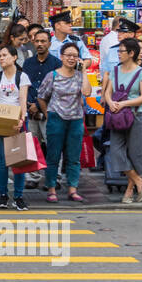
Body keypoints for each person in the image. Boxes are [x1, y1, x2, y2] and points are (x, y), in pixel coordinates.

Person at [37, 41, 91, 204]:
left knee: (74, 157)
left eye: (75, 56)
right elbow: (41, 96)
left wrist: (84, 71)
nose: (71, 58)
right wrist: (48, 113)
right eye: (68, 55)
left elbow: (87, 92)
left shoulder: (80, 76)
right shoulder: (52, 75)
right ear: (61, 57)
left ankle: (73, 189)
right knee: (53, 155)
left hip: (75, 120)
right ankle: (52, 188)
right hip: (56, 119)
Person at [104, 38, 142, 204]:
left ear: (131, 53)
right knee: (116, 152)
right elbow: (107, 92)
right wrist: (110, 103)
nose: (118, 54)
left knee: (135, 154)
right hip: (118, 117)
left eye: (121, 51)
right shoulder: (115, 70)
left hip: (136, 116)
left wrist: (123, 103)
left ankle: (130, 189)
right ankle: (140, 181)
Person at [0, 46, 30, 210]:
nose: (1, 58)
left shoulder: (22, 77)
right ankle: (3, 195)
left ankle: (18, 196)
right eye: (0, 56)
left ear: (15, 57)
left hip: (17, 121)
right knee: (3, 161)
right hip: (1, 121)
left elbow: (23, 99)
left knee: (19, 160)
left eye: (5, 55)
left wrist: (22, 118)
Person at [20, 26, 62, 190]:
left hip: (49, 110)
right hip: (30, 111)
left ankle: (54, 177)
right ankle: (33, 176)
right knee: (31, 144)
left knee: (53, 144)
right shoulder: (28, 63)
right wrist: (30, 105)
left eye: (43, 41)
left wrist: (37, 105)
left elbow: (56, 88)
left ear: (49, 44)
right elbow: (25, 85)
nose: (39, 44)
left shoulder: (56, 63)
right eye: (37, 41)